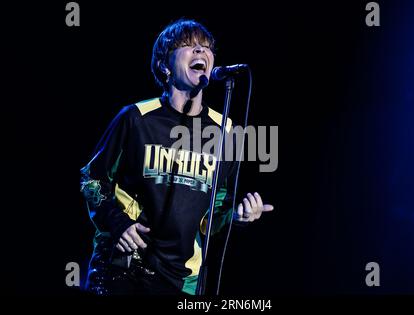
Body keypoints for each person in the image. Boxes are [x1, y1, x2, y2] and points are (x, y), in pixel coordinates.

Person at [80, 19, 274, 295]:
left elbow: (214, 213)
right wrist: (118, 222)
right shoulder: (136, 118)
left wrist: (237, 215)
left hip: (181, 280)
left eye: (206, 48)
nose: (200, 52)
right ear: (164, 65)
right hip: (124, 269)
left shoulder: (226, 131)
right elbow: (91, 178)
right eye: (188, 46)